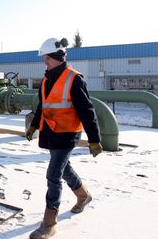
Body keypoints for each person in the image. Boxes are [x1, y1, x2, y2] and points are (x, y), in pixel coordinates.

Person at [26, 37, 103, 238]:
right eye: (44, 57)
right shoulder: (46, 79)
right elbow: (42, 106)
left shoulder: (74, 79)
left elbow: (87, 111)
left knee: (53, 174)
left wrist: (94, 139)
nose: (45, 61)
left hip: (68, 134)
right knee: (64, 168)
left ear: (57, 57)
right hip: (51, 132)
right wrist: (34, 124)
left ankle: (49, 224)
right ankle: (83, 196)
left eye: (47, 58)